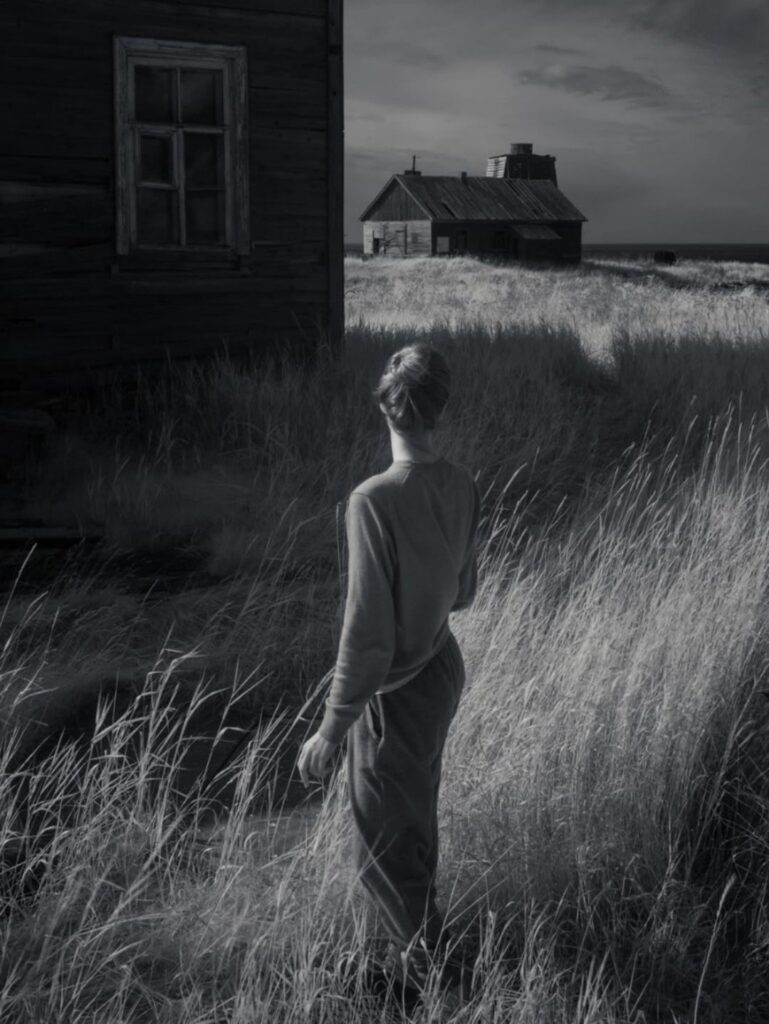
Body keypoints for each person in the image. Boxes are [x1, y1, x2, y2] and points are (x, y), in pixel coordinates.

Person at [297, 342, 481, 1003]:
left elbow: (367, 635)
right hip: (441, 669)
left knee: (384, 848)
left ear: (385, 406)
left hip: (396, 691)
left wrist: (328, 728)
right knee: (413, 825)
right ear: (439, 410)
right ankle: (400, 968)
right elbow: (464, 593)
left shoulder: (370, 500)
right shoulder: (461, 483)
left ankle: (436, 987)